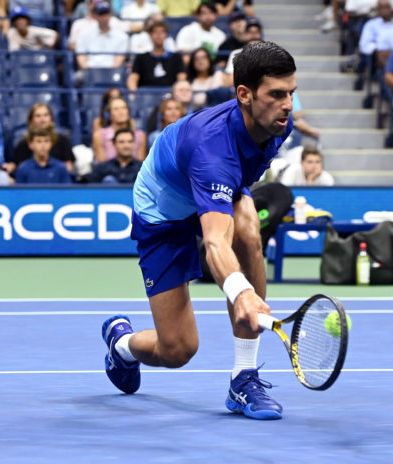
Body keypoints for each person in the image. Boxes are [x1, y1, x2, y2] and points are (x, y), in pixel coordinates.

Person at [101, 41, 296, 420]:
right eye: (276, 94)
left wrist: (238, 277)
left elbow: (233, 200)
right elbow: (213, 242)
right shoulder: (211, 149)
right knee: (177, 350)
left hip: (213, 189)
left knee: (249, 230)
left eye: (291, 93)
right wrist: (241, 293)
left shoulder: (276, 125)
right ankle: (121, 344)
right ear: (244, 94)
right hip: (164, 210)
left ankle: (244, 376)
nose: (287, 104)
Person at [11, 103, 75, 175]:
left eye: (46, 115)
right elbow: (21, 170)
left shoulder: (63, 140)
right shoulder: (24, 143)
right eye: (38, 116)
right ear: (31, 120)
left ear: (51, 118)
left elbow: (68, 167)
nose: (42, 119)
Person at [127, 20, 186, 90]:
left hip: (170, 95)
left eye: (162, 32)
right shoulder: (141, 58)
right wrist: (134, 95)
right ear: (150, 35)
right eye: (155, 32)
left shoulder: (176, 58)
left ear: (166, 35)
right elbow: (133, 78)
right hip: (146, 95)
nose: (159, 35)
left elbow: (182, 79)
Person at [75, 1, 129, 72]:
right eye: (101, 14)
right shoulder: (84, 34)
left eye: (106, 13)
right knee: (78, 77)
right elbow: (81, 59)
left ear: (111, 14)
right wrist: (91, 71)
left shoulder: (122, 36)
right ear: (95, 16)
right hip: (89, 72)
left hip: (112, 72)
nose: (104, 17)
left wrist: (105, 73)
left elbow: (118, 61)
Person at [93, 97, 147, 162]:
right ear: (109, 114)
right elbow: (101, 165)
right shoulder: (99, 135)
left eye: (124, 108)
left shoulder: (140, 135)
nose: (121, 112)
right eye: (116, 109)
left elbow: (141, 164)